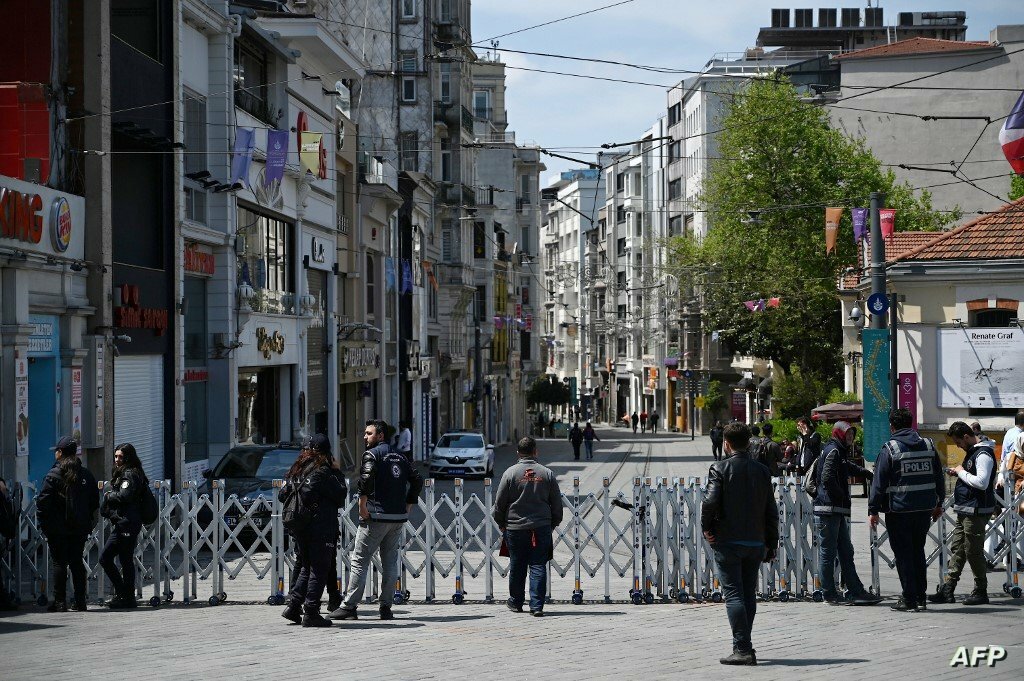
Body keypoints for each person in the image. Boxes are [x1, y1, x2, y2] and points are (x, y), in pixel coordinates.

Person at [700, 423, 778, 666]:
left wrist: (707, 528)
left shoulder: (720, 468)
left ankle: (742, 648)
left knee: (734, 595)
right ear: (748, 442)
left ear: (726, 444)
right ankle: (745, 644)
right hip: (755, 542)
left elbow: (710, 502)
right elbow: (771, 511)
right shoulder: (762, 471)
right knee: (747, 594)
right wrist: (771, 542)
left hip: (729, 541)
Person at [330, 420, 423, 621]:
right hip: (397, 518)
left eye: (369, 433)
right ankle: (386, 607)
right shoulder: (400, 455)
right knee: (390, 562)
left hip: (376, 516)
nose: (365, 437)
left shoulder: (372, 455)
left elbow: (366, 477)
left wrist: (362, 505)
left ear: (380, 436)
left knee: (359, 561)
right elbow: (417, 479)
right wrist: (409, 504)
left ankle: (349, 606)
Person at [868, 409, 944, 612]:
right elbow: (939, 476)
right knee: (918, 552)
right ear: (911, 424)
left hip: (899, 511)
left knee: (903, 554)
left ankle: (909, 598)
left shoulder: (890, 448)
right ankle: (920, 596)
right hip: (924, 510)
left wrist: (873, 510)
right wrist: (939, 504)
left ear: (892, 426)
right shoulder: (928, 445)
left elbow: (879, 482)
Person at [281, 434, 348, 627]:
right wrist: (338, 472)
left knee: (306, 566)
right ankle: (311, 611)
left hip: (300, 526)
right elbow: (341, 494)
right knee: (319, 569)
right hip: (320, 527)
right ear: (326, 452)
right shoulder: (323, 472)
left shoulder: (297, 470)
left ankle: (294, 607)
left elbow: (282, 495)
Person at [928, 421, 997, 606]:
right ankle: (948, 589)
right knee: (958, 547)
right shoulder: (974, 452)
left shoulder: (983, 454)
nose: (958, 446)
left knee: (973, 551)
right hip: (965, 508)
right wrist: (959, 472)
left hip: (976, 509)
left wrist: (960, 472)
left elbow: (982, 483)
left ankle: (981, 590)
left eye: (958, 442)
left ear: (966, 437)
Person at [494, 436, 563, 616]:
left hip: (515, 528)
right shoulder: (547, 474)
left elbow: (499, 504)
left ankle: (516, 602)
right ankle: (537, 605)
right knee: (538, 565)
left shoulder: (510, 473)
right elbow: (557, 505)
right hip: (541, 527)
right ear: (536, 452)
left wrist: (502, 524)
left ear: (518, 453)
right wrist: (552, 524)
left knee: (517, 565)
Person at [812, 421, 880, 605]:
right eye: (848, 434)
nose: (850, 438)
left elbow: (846, 467)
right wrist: (841, 495)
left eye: (852, 434)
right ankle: (830, 594)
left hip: (835, 510)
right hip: (829, 509)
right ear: (839, 434)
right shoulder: (834, 451)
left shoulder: (837, 450)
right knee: (828, 553)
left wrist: (865, 473)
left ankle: (855, 590)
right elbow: (827, 477)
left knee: (845, 551)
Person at [35, 436, 99, 612]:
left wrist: (44, 524)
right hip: (79, 528)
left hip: (57, 529)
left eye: (56, 451)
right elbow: (94, 501)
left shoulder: (53, 475)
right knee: (77, 562)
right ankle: (80, 601)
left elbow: (43, 503)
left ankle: (60, 601)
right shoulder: (85, 474)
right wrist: (86, 519)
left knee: (59, 563)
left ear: (60, 453)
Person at [99, 443, 147, 608]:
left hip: (127, 523)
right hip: (123, 522)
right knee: (121, 559)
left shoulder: (130, 474)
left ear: (128, 457)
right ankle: (124, 595)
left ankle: (126, 596)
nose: (117, 460)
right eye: (116, 456)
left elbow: (124, 496)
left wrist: (109, 495)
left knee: (113, 558)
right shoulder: (128, 472)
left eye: (120, 457)